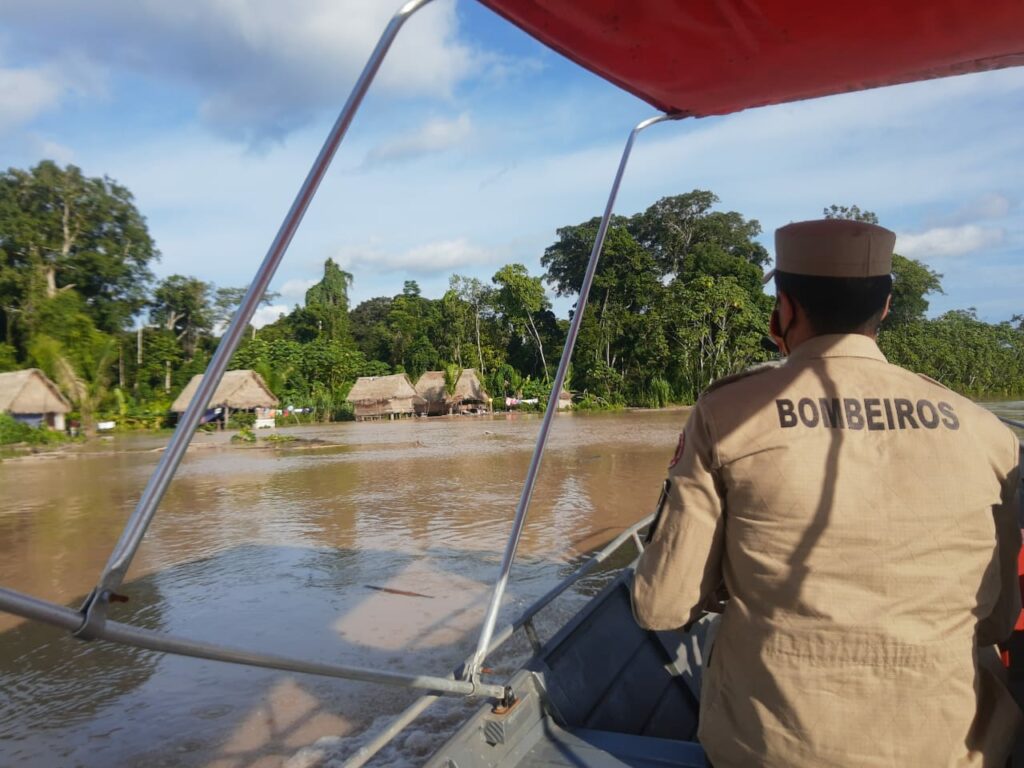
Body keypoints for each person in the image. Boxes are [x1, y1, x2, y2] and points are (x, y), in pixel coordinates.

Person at [631, 219, 1022, 767]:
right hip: (945, 749)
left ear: (784, 309)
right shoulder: (988, 432)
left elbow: (661, 607)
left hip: (768, 751)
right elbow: (999, 622)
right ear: (884, 307)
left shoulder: (728, 414)